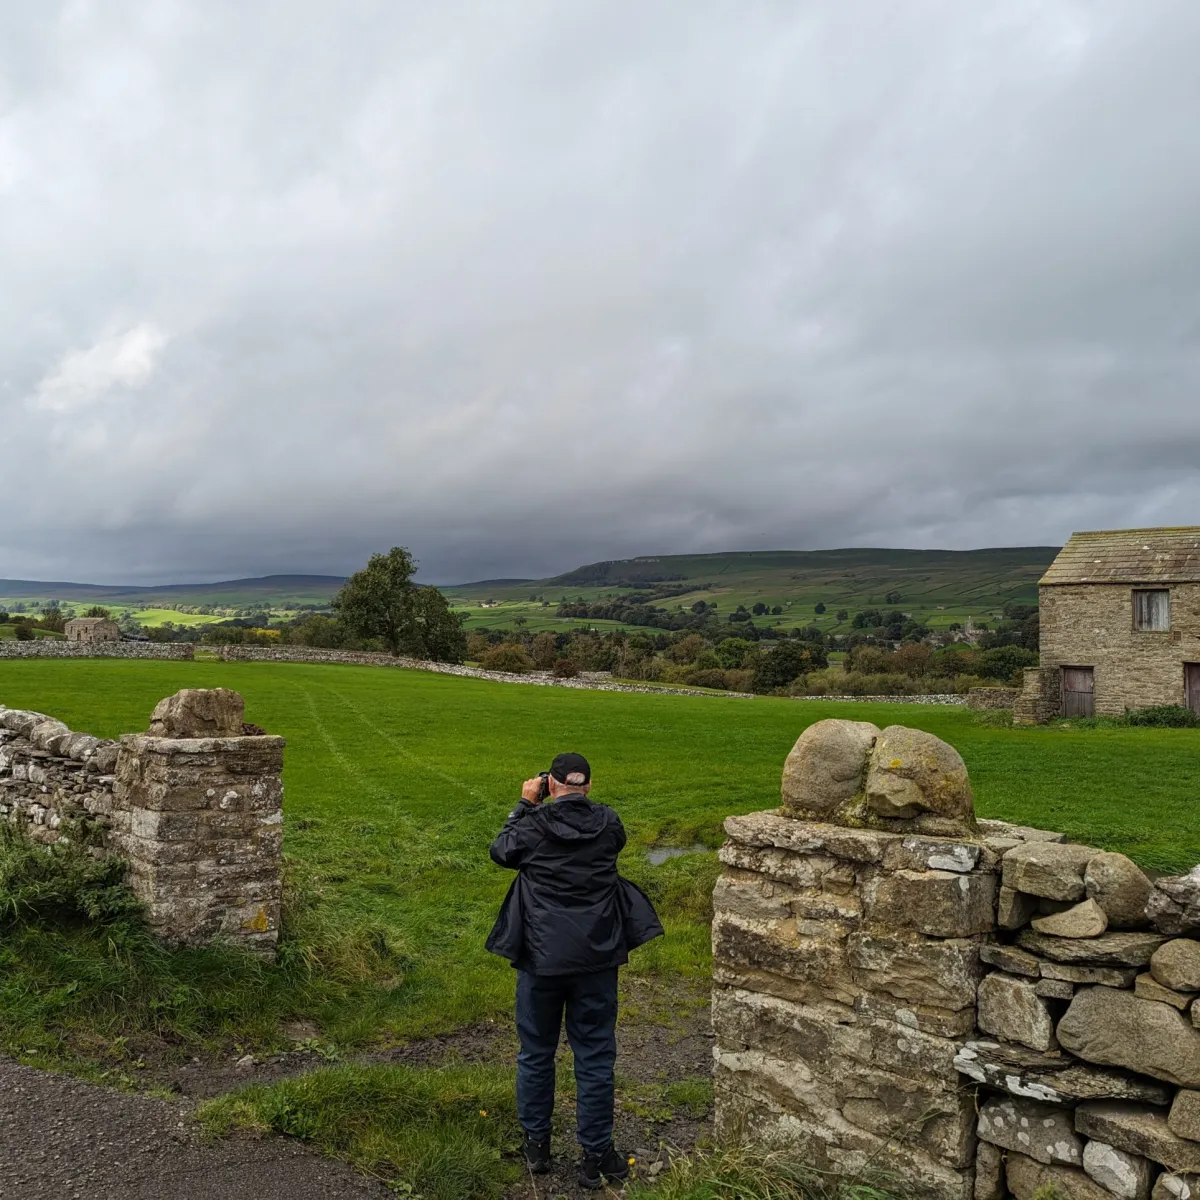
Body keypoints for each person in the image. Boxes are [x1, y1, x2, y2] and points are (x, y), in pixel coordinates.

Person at [486, 752, 663, 1190]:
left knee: (536, 1052)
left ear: (551, 784)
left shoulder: (533, 825)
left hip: (541, 957)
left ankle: (537, 1147)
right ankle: (597, 1156)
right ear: (588, 786)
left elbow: (501, 852)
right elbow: (614, 843)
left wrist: (525, 803)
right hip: (597, 957)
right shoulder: (609, 824)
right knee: (595, 1054)